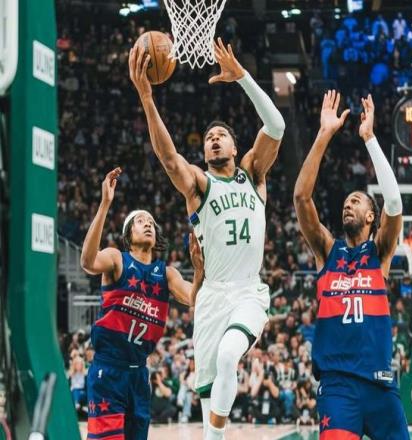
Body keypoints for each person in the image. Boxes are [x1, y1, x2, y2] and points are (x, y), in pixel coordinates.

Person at [129, 37, 285, 440]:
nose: (214, 139)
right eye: (208, 137)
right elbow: (169, 159)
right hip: (211, 297)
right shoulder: (199, 186)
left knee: (231, 354)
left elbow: (277, 126)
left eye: (221, 135)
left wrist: (243, 77)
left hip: (247, 290)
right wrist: (147, 98)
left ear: (235, 145)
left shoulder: (253, 174)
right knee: (206, 399)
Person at [294, 91, 409, 439]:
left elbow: (394, 202)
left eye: (356, 201)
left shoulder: (380, 252)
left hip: (379, 384)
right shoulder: (327, 250)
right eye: (346, 201)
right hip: (338, 385)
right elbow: (301, 197)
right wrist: (323, 134)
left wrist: (369, 138)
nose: (348, 204)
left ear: (371, 217)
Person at [80, 168, 204, 440]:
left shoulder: (167, 274)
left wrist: (198, 270)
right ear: (128, 233)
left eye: (151, 222)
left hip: (139, 374)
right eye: (140, 221)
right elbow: (88, 262)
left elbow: (194, 297)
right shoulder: (117, 259)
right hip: (108, 370)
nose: (148, 224)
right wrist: (105, 204)